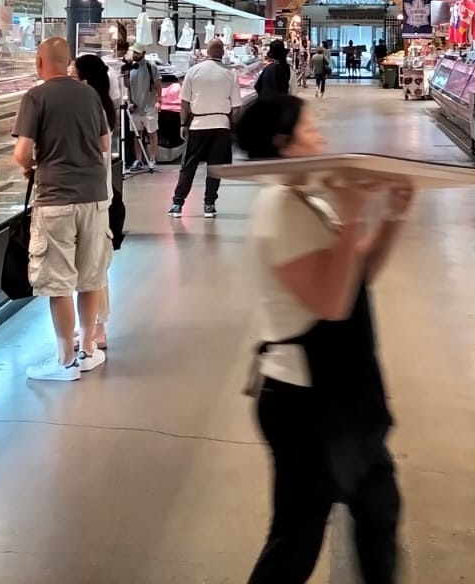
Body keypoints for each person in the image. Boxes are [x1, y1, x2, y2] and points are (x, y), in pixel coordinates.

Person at [238, 92, 413, 584]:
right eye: (311, 129)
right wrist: (354, 212)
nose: (323, 137)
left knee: (376, 510)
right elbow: (332, 304)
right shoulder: (279, 208)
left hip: (337, 393)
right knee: (297, 537)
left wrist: (394, 213)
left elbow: (358, 275)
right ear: (283, 143)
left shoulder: (306, 197)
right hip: (304, 401)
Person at [12, 37, 111, 381]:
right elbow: (104, 144)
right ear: (67, 62)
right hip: (95, 197)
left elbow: (22, 153)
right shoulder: (89, 93)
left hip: (55, 199)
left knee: (58, 282)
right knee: (91, 277)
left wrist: (32, 166)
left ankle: (65, 360)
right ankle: (87, 350)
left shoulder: (35, 96)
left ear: (40, 62)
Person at [73, 53, 119, 354]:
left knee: (92, 265)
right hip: (97, 192)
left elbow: (94, 148)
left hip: (92, 194)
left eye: (73, 75)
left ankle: (95, 328)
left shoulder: (92, 108)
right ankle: (90, 327)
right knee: (92, 264)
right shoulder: (105, 106)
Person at [170, 38, 240, 219]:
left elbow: (184, 103)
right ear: (223, 53)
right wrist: (232, 128)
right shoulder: (230, 74)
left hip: (198, 125)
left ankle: (177, 204)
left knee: (189, 166)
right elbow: (236, 107)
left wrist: (183, 124)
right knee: (215, 167)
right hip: (221, 125)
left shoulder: (193, 71)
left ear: (207, 52)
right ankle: (209, 205)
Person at [127, 46, 161, 169]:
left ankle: (152, 159)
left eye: (138, 52)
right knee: (137, 134)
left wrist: (159, 100)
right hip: (136, 107)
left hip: (149, 106)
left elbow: (158, 84)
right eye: (134, 52)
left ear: (143, 53)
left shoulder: (151, 67)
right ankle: (138, 159)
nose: (135, 54)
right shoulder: (131, 67)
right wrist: (130, 101)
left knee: (152, 133)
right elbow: (128, 86)